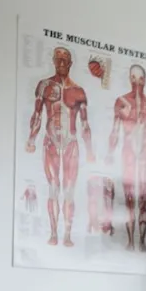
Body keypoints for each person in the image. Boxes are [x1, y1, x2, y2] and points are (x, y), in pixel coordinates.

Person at [25, 46, 95, 248]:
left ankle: (67, 235)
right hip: (51, 142)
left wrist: (90, 150)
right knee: (54, 187)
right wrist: (31, 140)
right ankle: (54, 233)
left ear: (71, 63)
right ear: (54, 61)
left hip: (71, 143)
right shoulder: (44, 86)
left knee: (70, 190)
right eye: (58, 59)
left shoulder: (78, 91)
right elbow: (37, 115)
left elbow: (84, 123)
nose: (62, 63)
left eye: (65, 60)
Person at [107, 64, 146, 251]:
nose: (137, 82)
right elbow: (115, 132)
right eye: (133, 78)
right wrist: (108, 154)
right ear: (129, 79)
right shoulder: (121, 103)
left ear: (145, 80)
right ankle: (131, 241)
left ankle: (141, 242)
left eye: (140, 78)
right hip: (129, 157)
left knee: (143, 202)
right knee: (129, 201)